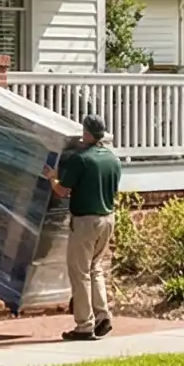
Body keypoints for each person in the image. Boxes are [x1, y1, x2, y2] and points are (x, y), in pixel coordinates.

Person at [50, 114, 122, 340]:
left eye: (84, 131)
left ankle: (84, 326)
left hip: (85, 222)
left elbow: (62, 191)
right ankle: (103, 316)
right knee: (95, 268)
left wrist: (52, 177)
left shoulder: (82, 159)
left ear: (88, 134)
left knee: (80, 272)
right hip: (108, 219)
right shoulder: (113, 159)